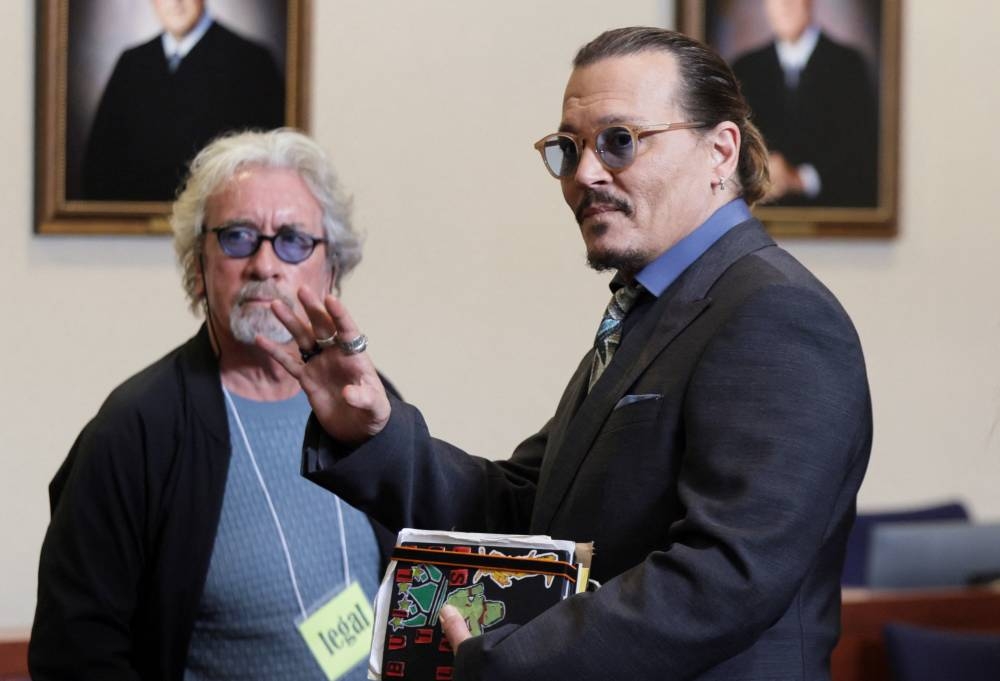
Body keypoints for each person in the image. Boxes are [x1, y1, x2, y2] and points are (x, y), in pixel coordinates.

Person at [262, 27, 872, 680]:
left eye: (620, 141)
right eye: (568, 147)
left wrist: (506, 660)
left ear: (719, 150)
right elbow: (527, 509)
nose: (585, 173)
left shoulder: (774, 313)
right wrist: (375, 434)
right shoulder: (653, 308)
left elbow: (725, 577)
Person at [30, 129, 395, 681]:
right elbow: (75, 657)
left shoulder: (367, 400)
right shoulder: (133, 433)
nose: (265, 264)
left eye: (294, 239)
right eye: (238, 237)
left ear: (332, 268)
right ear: (198, 267)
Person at [82, 0, 284, 201]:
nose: (176, 3)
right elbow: (99, 166)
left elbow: (269, 164)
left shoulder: (251, 62)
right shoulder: (131, 64)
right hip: (129, 225)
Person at [731, 0, 878, 207]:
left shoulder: (849, 65)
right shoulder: (745, 68)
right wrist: (762, 169)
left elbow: (863, 151)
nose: (784, 5)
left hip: (834, 214)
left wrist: (802, 179)